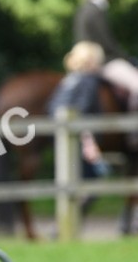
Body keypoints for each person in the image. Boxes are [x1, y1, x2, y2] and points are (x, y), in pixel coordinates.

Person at [73, 0, 138, 119]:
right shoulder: (95, 9)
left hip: (84, 62)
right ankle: (136, 126)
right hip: (102, 62)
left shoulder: (84, 7)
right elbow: (107, 43)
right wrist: (125, 58)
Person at [46, 41, 110, 182]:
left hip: (58, 131)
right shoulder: (89, 81)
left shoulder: (69, 79)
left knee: (70, 174)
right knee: (93, 175)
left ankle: (72, 202)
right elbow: (84, 107)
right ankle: (77, 204)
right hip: (79, 134)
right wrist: (89, 141)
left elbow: (52, 105)